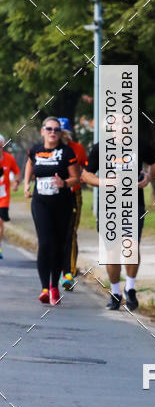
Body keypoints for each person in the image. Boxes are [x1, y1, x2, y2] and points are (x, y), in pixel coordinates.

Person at [81, 136, 155, 311]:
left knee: (131, 246)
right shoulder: (100, 148)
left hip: (133, 203)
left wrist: (148, 178)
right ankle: (115, 293)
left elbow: (154, 163)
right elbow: (86, 174)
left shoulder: (141, 145)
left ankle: (130, 289)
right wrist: (103, 182)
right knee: (113, 251)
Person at [23, 117, 79, 305]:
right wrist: (26, 185)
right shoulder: (36, 150)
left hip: (62, 204)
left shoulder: (66, 152)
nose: (52, 132)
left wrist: (64, 183)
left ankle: (54, 286)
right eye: (49, 129)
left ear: (60, 133)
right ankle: (44, 288)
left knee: (58, 246)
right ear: (42, 131)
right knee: (45, 243)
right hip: (41, 203)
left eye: (56, 129)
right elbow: (30, 163)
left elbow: (76, 178)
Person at [57, 117, 87, 290]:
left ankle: (69, 272)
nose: (61, 137)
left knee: (71, 232)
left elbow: (86, 167)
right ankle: (56, 269)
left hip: (73, 194)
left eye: (64, 133)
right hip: (53, 197)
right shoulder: (51, 149)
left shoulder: (77, 149)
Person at [0, 135, 21, 259]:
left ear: (2, 145)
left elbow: (17, 173)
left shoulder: (9, 158)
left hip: (3, 196)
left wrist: (16, 183)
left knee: (0, 221)